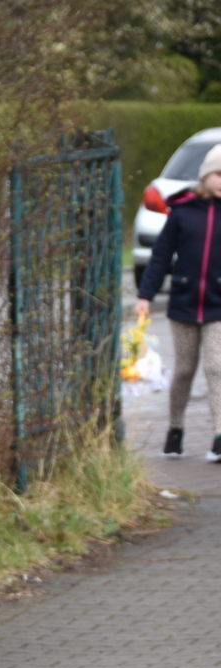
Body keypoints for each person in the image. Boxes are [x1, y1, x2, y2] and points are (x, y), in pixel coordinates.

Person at [137, 142, 221, 462]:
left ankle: (219, 435)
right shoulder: (183, 211)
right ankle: (175, 429)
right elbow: (160, 256)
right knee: (184, 370)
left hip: (217, 304)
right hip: (184, 303)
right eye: (218, 174)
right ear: (205, 175)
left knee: (217, 368)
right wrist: (145, 295)